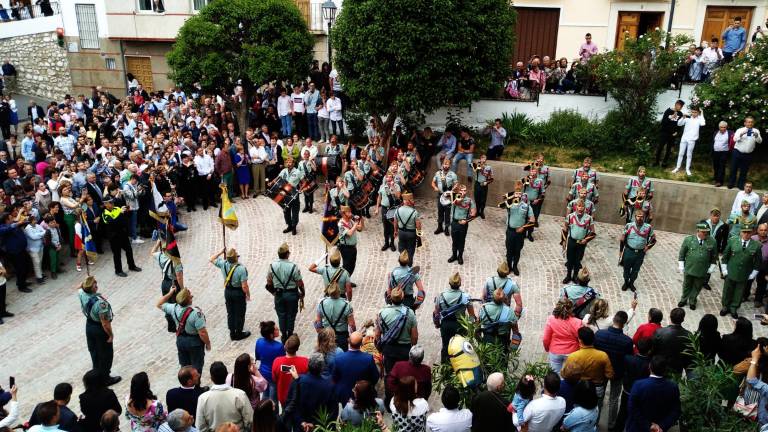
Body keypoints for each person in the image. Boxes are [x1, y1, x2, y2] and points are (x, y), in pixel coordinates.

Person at [594, 311, 634, 430]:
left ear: (614, 320)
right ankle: (611, 425)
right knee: (614, 399)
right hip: (618, 373)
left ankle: (595, 421)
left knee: (599, 397)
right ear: (624, 323)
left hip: (601, 371)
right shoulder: (627, 341)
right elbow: (628, 358)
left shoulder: (599, 334)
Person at [157, 287, 211, 374]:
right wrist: (208, 343)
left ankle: (187, 386)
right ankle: (196, 387)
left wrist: (170, 292)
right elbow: (202, 332)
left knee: (185, 367)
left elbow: (159, 304)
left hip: (181, 340)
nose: (192, 297)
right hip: (194, 342)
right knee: (197, 367)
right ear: (188, 300)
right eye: (190, 296)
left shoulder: (173, 308)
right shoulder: (196, 313)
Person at [78, 276, 120, 386]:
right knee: (105, 354)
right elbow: (105, 323)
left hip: (89, 326)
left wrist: (85, 282)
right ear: (93, 288)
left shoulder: (82, 293)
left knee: (94, 352)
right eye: (94, 284)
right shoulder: (101, 304)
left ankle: (96, 375)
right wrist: (110, 335)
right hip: (99, 329)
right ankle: (105, 378)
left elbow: (79, 288)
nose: (96, 285)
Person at [281, 353, 337, 431]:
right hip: (318, 427)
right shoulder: (329, 386)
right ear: (322, 368)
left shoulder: (298, 380)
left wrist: (301, 422)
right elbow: (332, 411)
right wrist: (314, 425)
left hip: (300, 426)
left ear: (308, 365)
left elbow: (290, 403)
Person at [561, 327, 614, 411]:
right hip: (597, 387)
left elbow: (565, 374)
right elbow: (610, 374)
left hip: (579, 388)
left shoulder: (573, 356)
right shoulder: (603, 355)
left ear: (580, 340)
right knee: (597, 406)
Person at [625, 356, 681, 432]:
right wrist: (662, 426)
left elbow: (632, 408)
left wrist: (648, 425)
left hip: (638, 427)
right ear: (665, 370)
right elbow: (676, 411)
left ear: (649, 367)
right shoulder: (673, 387)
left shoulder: (638, 385)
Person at [195, 362, 253, 432]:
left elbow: (200, 426)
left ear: (211, 378)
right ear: (226, 375)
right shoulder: (240, 394)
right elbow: (250, 420)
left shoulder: (203, 398)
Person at [265, 243, 304, 342]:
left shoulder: (272, 266)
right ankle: (290, 334)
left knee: (281, 315)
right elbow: (299, 282)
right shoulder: (293, 267)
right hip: (291, 294)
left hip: (279, 294)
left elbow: (269, 283)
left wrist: (274, 292)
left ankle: (283, 334)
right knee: (291, 315)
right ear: (287, 254)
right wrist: (302, 292)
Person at [720, 223, 761, 318]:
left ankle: (734, 307)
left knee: (739, 292)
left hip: (744, 274)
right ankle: (725, 306)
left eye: (748, 232)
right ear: (740, 232)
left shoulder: (756, 246)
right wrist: (725, 270)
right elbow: (725, 257)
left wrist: (752, 275)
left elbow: (757, 263)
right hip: (731, 271)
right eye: (744, 232)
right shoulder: (732, 241)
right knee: (727, 290)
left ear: (752, 233)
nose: (746, 234)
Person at [210, 248, 251, 341]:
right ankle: (239, 333)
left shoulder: (223, 264)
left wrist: (220, 252)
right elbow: (244, 286)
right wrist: (248, 294)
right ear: (236, 258)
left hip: (228, 291)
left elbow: (211, 259)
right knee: (240, 312)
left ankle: (232, 333)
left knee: (230, 312)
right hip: (238, 292)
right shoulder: (241, 269)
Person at [376, 287, 418, 375]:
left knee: (390, 375)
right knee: (404, 375)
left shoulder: (382, 313)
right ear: (403, 298)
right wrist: (412, 347)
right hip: (405, 349)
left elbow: (377, 334)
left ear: (390, 298)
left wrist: (380, 348)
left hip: (389, 348)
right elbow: (414, 337)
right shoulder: (410, 313)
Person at [434, 272, 475, 362]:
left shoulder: (440, 296)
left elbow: (436, 314)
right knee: (460, 347)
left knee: (445, 346)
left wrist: (437, 324)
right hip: (460, 325)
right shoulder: (466, 297)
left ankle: (445, 366)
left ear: (449, 283)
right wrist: (471, 327)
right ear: (460, 283)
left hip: (446, 325)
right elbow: (472, 316)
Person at [677, 222, 718, 310]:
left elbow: (714, 256)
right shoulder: (689, 240)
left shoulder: (712, 241)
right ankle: (683, 299)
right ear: (698, 231)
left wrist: (711, 267)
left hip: (702, 270)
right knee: (686, 284)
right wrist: (681, 265)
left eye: (706, 232)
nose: (705, 234)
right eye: (703, 232)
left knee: (697, 286)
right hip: (689, 268)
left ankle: (692, 300)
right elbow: (682, 254)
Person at [614, 338, 652, 432]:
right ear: (649, 350)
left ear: (637, 348)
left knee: (622, 413)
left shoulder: (628, 358)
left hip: (627, 391)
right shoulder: (650, 363)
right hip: (641, 393)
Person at [332, 332, 379, 405]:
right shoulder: (368, 358)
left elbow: (334, 378)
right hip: (364, 394)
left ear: (348, 342)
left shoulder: (338, 359)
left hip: (345, 395)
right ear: (361, 344)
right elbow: (375, 377)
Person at [100, 197, 141, 277]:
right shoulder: (105, 214)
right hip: (114, 237)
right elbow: (113, 223)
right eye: (110, 202)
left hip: (122, 233)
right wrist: (121, 214)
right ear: (105, 204)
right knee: (117, 254)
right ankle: (118, 270)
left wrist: (128, 212)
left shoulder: (117, 208)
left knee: (129, 250)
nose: (112, 203)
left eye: (112, 202)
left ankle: (132, 266)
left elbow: (125, 219)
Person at [543, 298, 583, 374]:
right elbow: (580, 339)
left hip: (555, 351)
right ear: (571, 309)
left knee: (555, 374)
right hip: (572, 352)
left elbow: (546, 338)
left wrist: (547, 348)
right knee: (571, 375)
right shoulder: (577, 322)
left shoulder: (551, 319)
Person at [151, 241, 184, 333]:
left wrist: (158, 243)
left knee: (166, 303)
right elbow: (179, 276)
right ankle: (178, 324)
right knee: (175, 304)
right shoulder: (175, 260)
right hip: (173, 284)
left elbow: (152, 252)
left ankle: (171, 326)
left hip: (164, 283)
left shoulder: (160, 256)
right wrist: (182, 288)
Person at [619, 211, 656, 292]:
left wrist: (647, 247)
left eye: (642, 216)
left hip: (640, 253)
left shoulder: (648, 227)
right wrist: (621, 252)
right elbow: (622, 238)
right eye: (638, 216)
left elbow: (653, 239)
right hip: (629, 251)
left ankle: (631, 283)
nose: (640, 218)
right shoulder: (629, 226)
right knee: (626, 268)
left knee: (636, 270)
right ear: (635, 217)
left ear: (644, 217)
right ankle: (626, 282)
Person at [503, 181, 534, 276]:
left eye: (520, 193)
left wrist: (523, 227)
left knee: (517, 251)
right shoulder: (509, 204)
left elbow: (532, 220)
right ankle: (509, 266)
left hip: (520, 232)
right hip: (510, 231)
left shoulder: (526, 206)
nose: (518, 195)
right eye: (516, 193)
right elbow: (501, 203)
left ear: (522, 195)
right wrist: (510, 197)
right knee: (509, 250)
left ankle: (515, 266)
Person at [314, 282, 355, 350]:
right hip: (342, 336)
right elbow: (352, 325)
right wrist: (352, 336)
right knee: (342, 357)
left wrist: (320, 333)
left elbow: (318, 322)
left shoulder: (321, 303)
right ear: (339, 292)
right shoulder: (346, 305)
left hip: (326, 335)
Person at [562, 200, 595, 284]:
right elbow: (565, 230)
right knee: (569, 260)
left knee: (577, 261)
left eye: (582, 206)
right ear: (575, 207)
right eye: (579, 206)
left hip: (581, 243)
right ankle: (568, 275)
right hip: (571, 241)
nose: (580, 208)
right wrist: (564, 242)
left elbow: (593, 232)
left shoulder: (589, 218)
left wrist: (586, 240)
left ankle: (575, 276)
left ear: (585, 208)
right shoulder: (570, 217)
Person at [652, 307, 692, 375]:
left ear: (670, 317)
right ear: (683, 320)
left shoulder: (659, 332)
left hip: (659, 366)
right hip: (676, 369)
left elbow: (653, 349)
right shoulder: (688, 336)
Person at [254, 321, 285, 403]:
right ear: (271, 334)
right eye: (276, 329)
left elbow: (258, 357)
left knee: (265, 395)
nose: (278, 329)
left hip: (263, 372)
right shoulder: (279, 347)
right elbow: (282, 363)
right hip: (273, 375)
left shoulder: (259, 342)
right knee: (273, 399)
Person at [729, 116, 763, 190]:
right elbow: (734, 139)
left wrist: (757, 136)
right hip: (737, 152)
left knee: (744, 170)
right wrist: (741, 134)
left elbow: (760, 141)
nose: (749, 123)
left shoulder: (756, 131)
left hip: (748, 154)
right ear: (745, 123)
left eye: (751, 122)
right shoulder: (740, 130)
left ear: (753, 123)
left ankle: (740, 185)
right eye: (748, 122)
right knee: (733, 169)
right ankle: (731, 183)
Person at [671, 106, 705, 176]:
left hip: (692, 140)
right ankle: (677, 167)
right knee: (681, 153)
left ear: (698, 113)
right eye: (692, 112)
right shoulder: (687, 119)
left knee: (689, 155)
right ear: (691, 112)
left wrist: (702, 113)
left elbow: (703, 123)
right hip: (684, 138)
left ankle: (687, 169)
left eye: (695, 112)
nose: (694, 113)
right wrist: (683, 117)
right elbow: (679, 124)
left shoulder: (699, 120)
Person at [702, 208, 729, 290]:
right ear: (711, 216)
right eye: (714, 216)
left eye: (717, 216)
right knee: (701, 262)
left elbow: (724, 240)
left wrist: (722, 250)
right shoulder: (704, 223)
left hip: (715, 249)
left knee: (711, 264)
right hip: (704, 246)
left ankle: (705, 282)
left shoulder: (724, 226)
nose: (716, 218)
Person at [447, 184, 475, 264]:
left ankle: (460, 256)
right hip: (454, 223)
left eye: (465, 190)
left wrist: (466, 221)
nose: (463, 192)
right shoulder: (454, 197)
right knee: (454, 240)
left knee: (461, 241)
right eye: (461, 190)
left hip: (463, 224)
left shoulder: (469, 201)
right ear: (458, 191)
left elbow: (473, 214)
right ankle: (454, 255)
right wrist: (453, 189)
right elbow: (446, 195)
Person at [374, 171, 400, 251]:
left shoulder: (396, 186)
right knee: (385, 227)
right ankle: (386, 243)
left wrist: (393, 188)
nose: (388, 178)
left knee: (392, 226)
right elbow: (379, 197)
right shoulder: (382, 186)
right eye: (387, 177)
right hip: (384, 209)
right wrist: (377, 208)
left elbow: (398, 196)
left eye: (390, 177)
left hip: (393, 209)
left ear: (392, 179)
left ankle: (392, 243)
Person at [337, 205, 362, 288]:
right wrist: (355, 223)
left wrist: (359, 220)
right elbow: (350, 233)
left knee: (352, 265)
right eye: (348, 212)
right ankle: (341, 282)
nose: (350, 213)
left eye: (350, 212)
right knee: (346, 266)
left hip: (353, 247)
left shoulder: (350, 221)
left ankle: (347, 280)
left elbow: (360, 229)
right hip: (345, 248)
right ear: (343, 214)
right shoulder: (341, 224)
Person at [432, 158, 458, 236]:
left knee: (447, 213)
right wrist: (435, 187)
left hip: (449, 196)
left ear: (450, 165)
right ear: (442, 164)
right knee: (440, 211)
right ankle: (440, 227)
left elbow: (456, 184)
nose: (446, 165)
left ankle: (446, 228)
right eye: (444, 164)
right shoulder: (438, 173)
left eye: (447, 164)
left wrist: (453, 189)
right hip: (440, 195)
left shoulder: (453, 174)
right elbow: (433, 182)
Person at [394, 192, 421, 265]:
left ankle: (402, 264)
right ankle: (409, 266)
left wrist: (395, 231)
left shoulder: (397, 210)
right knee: (410, 250)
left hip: (401, 233)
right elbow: (418, 225)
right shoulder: (414, 212)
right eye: (411, 200)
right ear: (409, 201)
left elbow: (395, 222)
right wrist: (419, 235)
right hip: (411, 234)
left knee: (402, 249)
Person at [657, 100, 684, 167]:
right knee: (660, 147)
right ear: (676, 104)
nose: (680, 108)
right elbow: (663, 122)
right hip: (664, 133)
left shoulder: (680, 114)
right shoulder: (668, 111)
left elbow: (679, 125)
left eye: (681, 107)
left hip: (673, 134)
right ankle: (656, 162)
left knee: (669, 149)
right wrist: (671, 117)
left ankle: (664, 163)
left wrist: (677, 132)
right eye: (679, 106)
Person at [712, 121, 732, 187]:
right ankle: (716, 178)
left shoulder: (730, 133)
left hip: (724, 152)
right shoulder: (716, 132)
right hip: (715, 152)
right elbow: (713, 142)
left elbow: (732, 141)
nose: (723, 128)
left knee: (721, 166)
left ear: (726, 127)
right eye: (721, 127)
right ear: (719, 127)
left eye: (724, 127)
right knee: (716, 166)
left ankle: (720, 181)